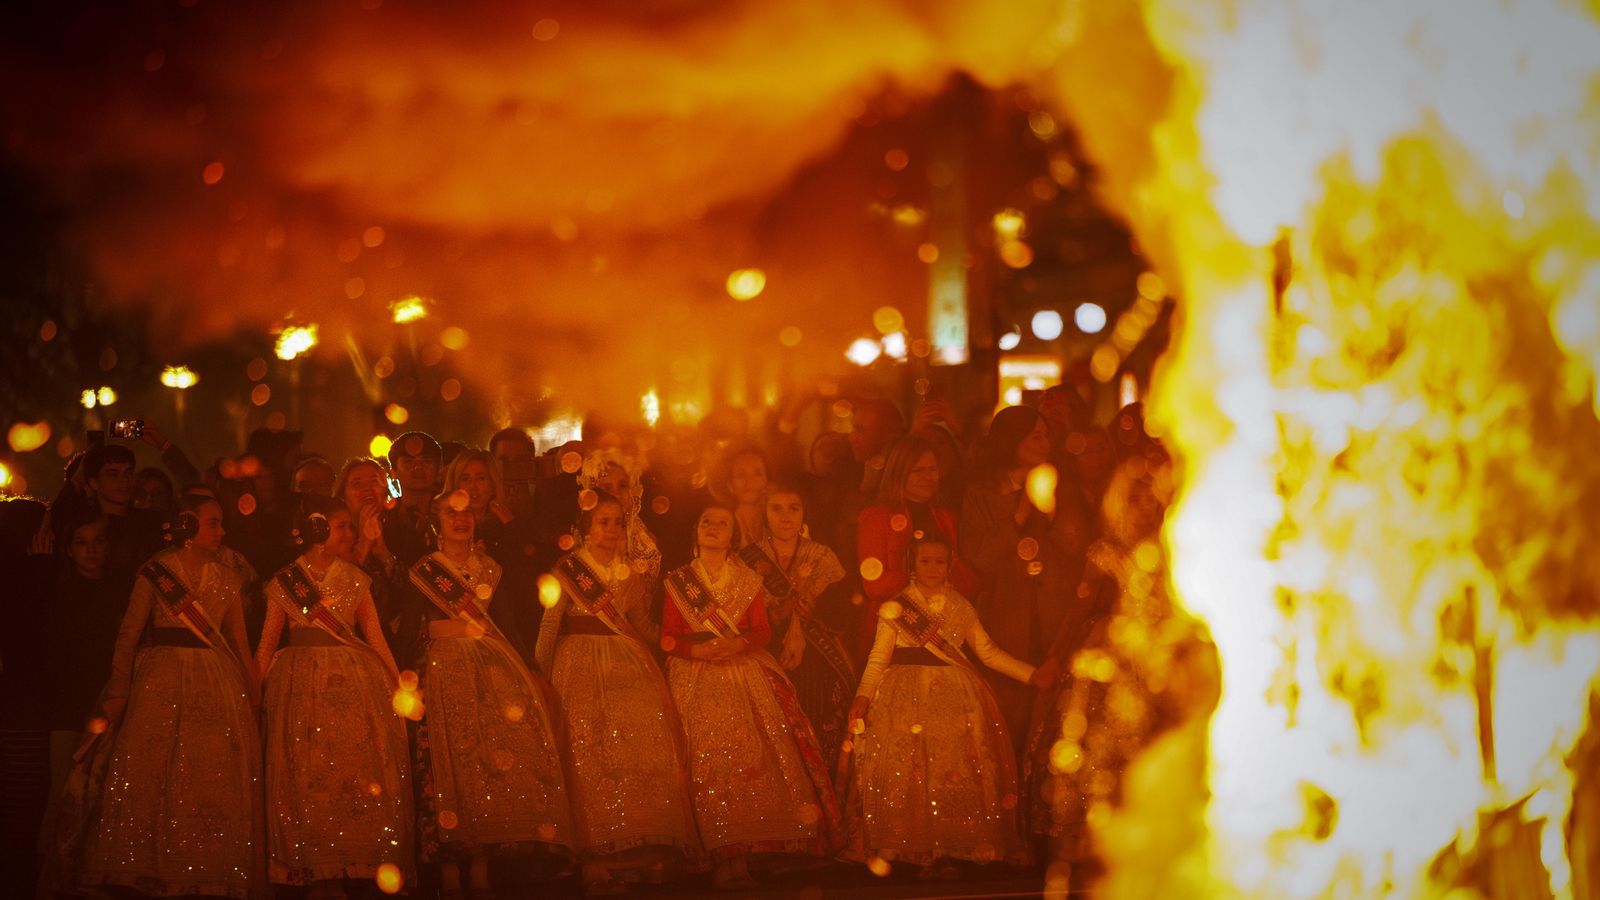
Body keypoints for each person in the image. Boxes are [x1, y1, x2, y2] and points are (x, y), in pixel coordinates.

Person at [69, 494, 265, 898]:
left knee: (207, 774)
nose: (222, 532)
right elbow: (128, 633)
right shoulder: (155, 573)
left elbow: (239, 643)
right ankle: (148, 867)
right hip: (159, 681)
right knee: (153, 772)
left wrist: (254, 691)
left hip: (216, 681)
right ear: (189, 526)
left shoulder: (229, 578)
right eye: (213, 523)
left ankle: (203, 866)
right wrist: (120, 685)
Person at [843, 534, 1057, 877]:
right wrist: (863, 697)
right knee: (909, 772)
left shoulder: (961, 606)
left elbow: (988, 652)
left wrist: (1033, 677)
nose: (932, 568)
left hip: (955, 700)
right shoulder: (897, 606)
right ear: (913, 563)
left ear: (950, 565)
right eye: (925, 561)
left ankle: (946, 846)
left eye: (939, 561)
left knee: (949, 774)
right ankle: (907, 845)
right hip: (902, 698)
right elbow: (878, 657)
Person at [661, 505, 840, 890]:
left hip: (744, 672)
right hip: (696, 677)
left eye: (721, 523)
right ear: (695, 531)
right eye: (705, 521)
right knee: (708, 765)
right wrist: (697, 652)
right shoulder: (679, 580)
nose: (712, 527)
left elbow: (762, 632)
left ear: (733, 537)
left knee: (752, 762)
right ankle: (718, 853)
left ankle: (750, 852)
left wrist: (740, 643)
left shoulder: (748, 580)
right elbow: (668, 637)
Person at [405, 490, 574, 898]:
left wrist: (530, 669)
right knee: (446, 767)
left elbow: (507, 624)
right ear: (436, 521)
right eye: (450, 513)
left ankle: (480, 865)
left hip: (490, 675)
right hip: (443, 672)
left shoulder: (491, 569)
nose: (460, 521)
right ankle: (448, 869)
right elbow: (412, 628)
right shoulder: (424, 571)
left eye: (466, 514)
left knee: (483, 766)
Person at [536, 492, 696, 894]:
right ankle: (596, 857)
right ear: (584, 529)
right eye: (603, 521)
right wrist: (538, 675)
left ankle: (639, 849)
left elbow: (639, 621)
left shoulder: (632, 572)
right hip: (580, 666)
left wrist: (678, 649)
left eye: (617, 522)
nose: (611, 530)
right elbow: (549, 627)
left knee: (639, 750)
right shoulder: (567, 570)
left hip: (629, 662)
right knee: (591, 754)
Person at [255, 495, 413, 898]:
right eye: (341, 526)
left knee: (349, 772)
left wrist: (398, 685)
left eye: (349, 526)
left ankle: (347, 862)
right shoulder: (283, 582)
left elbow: (374, 635)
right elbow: (267, 643)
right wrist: (250, 691)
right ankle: (314, 868)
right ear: (316, 529)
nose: (350, 534)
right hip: (299, 686)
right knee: (306, 776)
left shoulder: (357, 579)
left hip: (353, 684)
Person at [960, 405, 1096, 739]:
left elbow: (1080, 551)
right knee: (1009, 722)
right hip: (1006, 620)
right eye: (1034, 435)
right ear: (1012, 440)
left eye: (1046, 435)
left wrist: (1051, 515)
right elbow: (981, 557)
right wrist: (1019, 513)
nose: (1043, 442)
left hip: (1056, 617)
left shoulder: (1062, 488)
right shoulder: (982, 495)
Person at [736, 481, 855, 770]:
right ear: (765, 513)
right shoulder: (747, 560)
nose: (785, 517)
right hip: (765, 653)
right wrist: (775, 615)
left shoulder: (823, 557)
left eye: (793, 508)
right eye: (776, 509)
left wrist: (816, 611)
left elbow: (844, 611)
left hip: (817, 659)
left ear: (804, 513)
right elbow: (738, 613)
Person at [855, 436, 977, 653]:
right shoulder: (877, 518)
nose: (928, 477)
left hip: (943, 630)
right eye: (918, 470)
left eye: (932, 469)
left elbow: (962, 575)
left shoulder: (945, 517)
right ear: (899, 472)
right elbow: (874, 586)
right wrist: (921, 576)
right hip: (892, 632)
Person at [442, 449, 540, 653]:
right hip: (459, 630)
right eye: (465, 479)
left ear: (493, 483)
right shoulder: (442, 528)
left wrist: (512, 531)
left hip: (510, 627)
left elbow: (526, 578)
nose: (473, 487)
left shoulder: (511, 524)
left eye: (481, 478)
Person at [577, 449, 662, 580]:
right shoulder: (579, 538)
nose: (616, 494)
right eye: (607, 487)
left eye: (622, 485)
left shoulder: (645, 543)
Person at [385, 431, 443, 566]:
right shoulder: (385, 519)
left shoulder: (451, 514)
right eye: (408, 462)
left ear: (439, 469)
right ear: (393, 472)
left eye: (426, 461)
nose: (418, 467)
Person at [715, 446, 768, 551]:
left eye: (757, 474)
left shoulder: (780, 523)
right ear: (730, 485)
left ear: (767, 480)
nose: (750, 481)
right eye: (740, 475)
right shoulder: (721, 526)